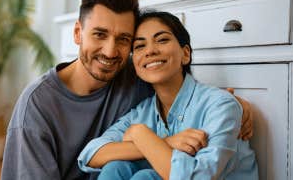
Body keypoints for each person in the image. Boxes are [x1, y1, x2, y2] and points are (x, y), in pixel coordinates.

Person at [1, 0, 253, 179]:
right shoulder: (36, 107)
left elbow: (184, 89)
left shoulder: (137, 74)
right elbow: (89, 155)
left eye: (124, 39)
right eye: (99, 34)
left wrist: (235, 104)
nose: (111, 52)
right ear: (78, 33)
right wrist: (163, 142)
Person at [77, 11, 258, 180]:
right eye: (140, 46)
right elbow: (90, 154)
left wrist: (139, 134)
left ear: (185, 54)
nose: (150, 51)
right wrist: (166, 143)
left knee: (145, 177)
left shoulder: (220, 105)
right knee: (115, 168)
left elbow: (198, 176)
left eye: (162, 40)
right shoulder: (143, 111)